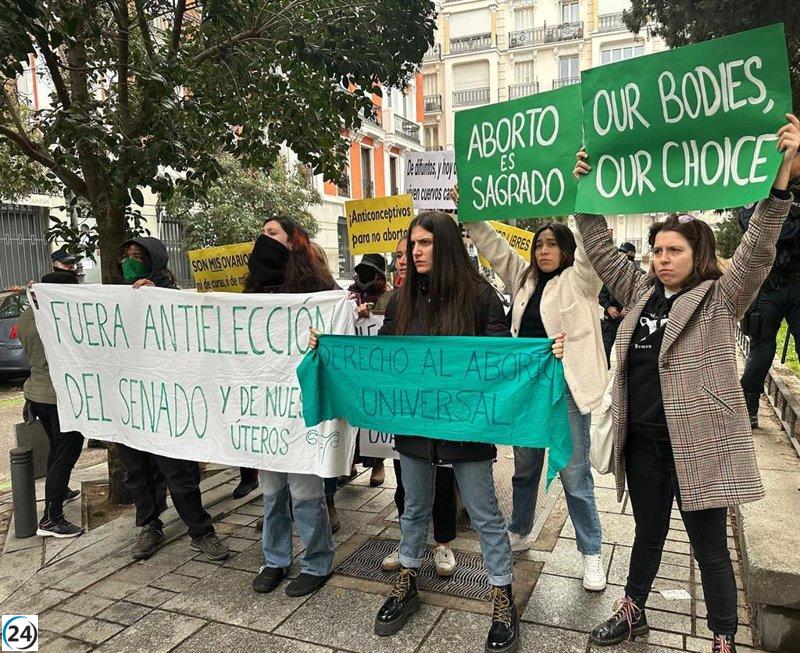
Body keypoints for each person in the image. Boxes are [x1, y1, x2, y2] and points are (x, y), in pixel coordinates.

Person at [572, 113, 800, 653]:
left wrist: (781, 180)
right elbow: (602, 250)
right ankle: (633, 612)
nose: (662, 259)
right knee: (647, 535)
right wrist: (584, 191)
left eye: (674, 250)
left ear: (697, 254)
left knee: (710, 550)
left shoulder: (722, 297)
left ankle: (722, 636)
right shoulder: (642, 291)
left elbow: (759, 247)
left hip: (700, 448)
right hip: (647, 447)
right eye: (657, 250)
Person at [312, 212, 564, 653]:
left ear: (445, 245)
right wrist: (331, 349)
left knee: (485, 513)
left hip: (466, 427)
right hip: (414, 425)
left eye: (425, 243)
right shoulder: (404, 298)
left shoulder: (480, 296)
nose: (416, 251)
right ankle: (408, 578)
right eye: (413, 244)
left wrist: (546, 352)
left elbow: (498, 358)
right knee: (413, 507)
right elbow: (385, 356)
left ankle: (502, 595)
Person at [455, 187, 608, 592]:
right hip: (529, 390)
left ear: (567, 250)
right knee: (524, 467)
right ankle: (520, 528)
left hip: (567, 391)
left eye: (552, 244)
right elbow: (495, 247)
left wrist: (584, 201)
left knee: (574, 473)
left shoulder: (581, 281)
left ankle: (592, 551)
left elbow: (593, 254)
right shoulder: (523, 279)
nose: (543, 250)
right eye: (539, 244)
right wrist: (471, 211)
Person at [116, 236, 229, 562]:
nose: (130, 262)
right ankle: (149, 525)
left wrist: (158, 298)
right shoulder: (117, 298)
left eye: (137, 256)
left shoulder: (172, 296)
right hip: (132, 403)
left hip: (167, 405)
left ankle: (201, 531)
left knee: (177, 472)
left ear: (153, 260)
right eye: (127, 256)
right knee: (137, 472)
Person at [249, 216, 338, 598]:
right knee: (271, 492)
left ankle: (317, 562)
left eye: (272, 234)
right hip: (266, 409)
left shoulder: (317, 290)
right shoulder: (251, 293)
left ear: (292, 243)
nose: (263, 239)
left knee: (305, 493)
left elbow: (337, 329)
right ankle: (275, 559)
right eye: (262, 233)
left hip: (301, 408)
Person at [378, 238, 459, 578]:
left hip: (444, 409)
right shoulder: (398, 301)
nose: (405, 258)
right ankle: (409, 543)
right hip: (409, 411)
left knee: (442, 476)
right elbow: (382, 345)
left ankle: (442, 543)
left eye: (416, 248)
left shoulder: (454, 299)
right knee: (407, 483)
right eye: (399, 254)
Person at [18, 271, 85, 538]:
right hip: (59, 397)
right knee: (66, 453)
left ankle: (60, 491)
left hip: (37, 394)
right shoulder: (56, 319)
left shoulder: (27, 315)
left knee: (57, 448)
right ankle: (52, 518)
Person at [739, 152, 800, 427]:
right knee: (762, 347)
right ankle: (748, 403)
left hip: (797, 284)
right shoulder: (760, 184)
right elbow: (753, 224)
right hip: (768, 285)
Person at [347, 253, 393, 488]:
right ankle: (350, 461)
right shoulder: (349, 295)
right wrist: (354, 311)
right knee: (353, 416)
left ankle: (378, 462)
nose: (364, 276)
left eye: (370, 271)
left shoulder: (389, 296)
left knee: (375, 416)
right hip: (355, 368)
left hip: (378, 369)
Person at [599, 243, 639, 366]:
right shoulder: (610, 275)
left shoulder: (638, 274)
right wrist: (608, 307)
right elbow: (601, 295)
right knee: (603, 353)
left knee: (629, 354)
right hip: (611, 320)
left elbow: (640, 297)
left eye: (625, 254)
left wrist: (627, 309)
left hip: (628, 321)